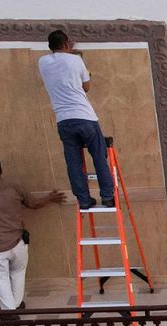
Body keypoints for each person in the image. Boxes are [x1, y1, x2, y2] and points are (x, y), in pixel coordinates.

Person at [0, 156, 62, 310]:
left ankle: (9, 311)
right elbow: (34, 204)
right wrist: (50, 197)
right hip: (18, 242)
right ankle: (16, 304)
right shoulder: (15, 188)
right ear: (1, 170)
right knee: (17, 273)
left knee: (0, 277)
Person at [39, 29, 114, 211]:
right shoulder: (76, 60)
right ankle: (107, 196)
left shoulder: (42, 61)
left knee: (73, 162)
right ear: (67, 44)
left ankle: (84, 200)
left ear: (50, 47)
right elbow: (86, 87)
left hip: (63, 120)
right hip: (85, 117)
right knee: (98, 156)